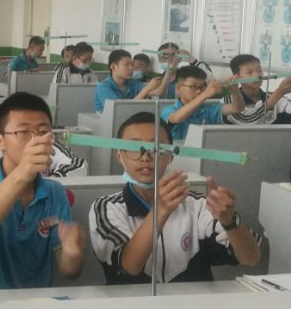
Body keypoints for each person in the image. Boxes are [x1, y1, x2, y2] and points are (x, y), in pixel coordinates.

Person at [89, 112, 261, 284]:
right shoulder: (106, 208)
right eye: (134, 147)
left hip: (194, 300)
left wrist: (230, 222)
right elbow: (129, 266)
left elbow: (251, 258)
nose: (145, 157)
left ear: (170, 156)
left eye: (157, 148)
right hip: (132, 301)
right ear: (120, 156)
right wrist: (160, 212)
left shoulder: (198, 205)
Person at [0, 92, 85, 290]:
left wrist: (72, 253)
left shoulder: (55, 192)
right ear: (0, 141)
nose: (35, 140)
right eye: (23, 132)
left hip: (34, 303)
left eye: (43, 132)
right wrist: (23, 171)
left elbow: (69, 271)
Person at [160, 66, 243, 140]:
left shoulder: (208, 110)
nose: (198, 91)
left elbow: (238, 108)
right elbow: (177, 118)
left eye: (202, 87)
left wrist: (235, 91)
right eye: (193, 87)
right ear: (178, 88)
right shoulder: (169, 110)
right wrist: (205, 94)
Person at [94, 49, 169, 113]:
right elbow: (120, 110)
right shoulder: (103, 87)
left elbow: (158, 92)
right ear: (113, 67)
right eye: (126, 64)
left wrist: (169, 70)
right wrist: (146, 89)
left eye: (131, 64)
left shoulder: (132, 83)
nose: (131, 68)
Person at [224, 53, 291, 124]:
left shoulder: (272, 97)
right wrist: (280, 92)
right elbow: (247, 122)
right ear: (237, 77)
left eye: (259, 70)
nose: (257, 75)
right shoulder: (230, 101)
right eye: (249, 72)